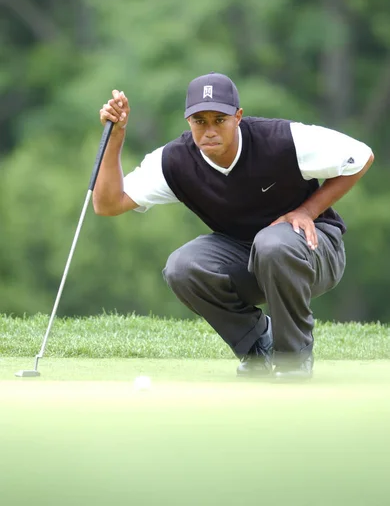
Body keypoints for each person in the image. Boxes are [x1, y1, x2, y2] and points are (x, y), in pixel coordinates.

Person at [93, 72, 374, 380]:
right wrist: (116, 135)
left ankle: (293, 358)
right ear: (188, 121)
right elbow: (107, 203)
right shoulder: (175, 161)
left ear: (238, 116)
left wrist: (308, 209)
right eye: (200, 121)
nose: (209, 130)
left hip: (316, 251)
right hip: (249, 257)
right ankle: (258, 345)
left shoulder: (283, 140)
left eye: (219, 119)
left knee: (272, 244)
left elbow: (361, 156)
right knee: (182, 267)